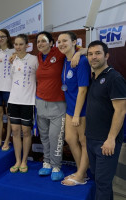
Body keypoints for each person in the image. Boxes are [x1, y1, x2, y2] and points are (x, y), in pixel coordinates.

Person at [35, 31, 85, 181]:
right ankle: (47, 163)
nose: (40, 44)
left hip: (58, 104)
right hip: (40, 102)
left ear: (51, 43)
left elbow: (87, 49)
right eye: (38, 41)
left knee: (55, 137)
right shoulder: (38, 56)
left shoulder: (60, 52)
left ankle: (56, 166)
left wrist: (78, 54)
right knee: (44, 136)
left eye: (43, 41)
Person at [86, 40, 126, 200]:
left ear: (107, 56)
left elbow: (121, 111)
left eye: (98, 53)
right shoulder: (95, 77)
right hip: (92, 139)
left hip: (106, 142)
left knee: (102, 183)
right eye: (90, 54)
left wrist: (110, 139)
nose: (93, 57)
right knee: (99, 181)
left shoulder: (114, 78)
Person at [57, 31, 91, 186]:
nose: (61, 44)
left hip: (82, 110)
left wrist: (77, 114)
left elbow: (83, 89)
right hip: (70, 108)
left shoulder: (82, 61)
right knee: (70, 139)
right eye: (59, 41)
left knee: (84, 142)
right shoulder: (65, 60)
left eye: (65, 40)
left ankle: (81, 175)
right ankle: (81, 171)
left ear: (74, 42)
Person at [8, 34, 38, 173]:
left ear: (27, 45)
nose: (18, 47)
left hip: (28, 101)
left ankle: (24, 160)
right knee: (15, 131)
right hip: (13, 100)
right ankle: (17, 160)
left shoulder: (34, 59)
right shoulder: (12, 60)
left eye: (21, 44)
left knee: (26, 131)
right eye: (16, 44)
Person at [0, 29, 15, 151]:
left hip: (9, 87)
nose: (0, 38)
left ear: (7, 37)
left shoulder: (13, 51)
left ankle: (7, 140)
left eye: (3, 36)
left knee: (9, 115)